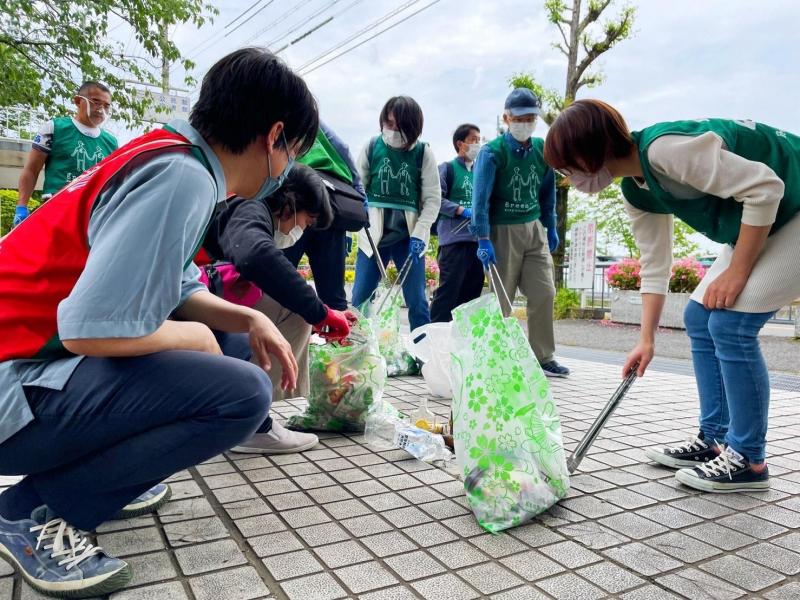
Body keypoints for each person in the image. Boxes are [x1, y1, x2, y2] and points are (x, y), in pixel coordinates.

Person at [0, 48, 317, 597]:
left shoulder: (164, 155)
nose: (287, 169)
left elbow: (168, 281)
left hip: (29, 368)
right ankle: (35, 511)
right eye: (294, 154)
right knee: (241, 393)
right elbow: (87, 328)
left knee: (235, 351)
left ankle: (103, 478)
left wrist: (242, 316)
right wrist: (193, 334)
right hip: (16, 383)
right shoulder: (183, 178)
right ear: (275, 136)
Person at [544, 99, 800, 493]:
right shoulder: (637, 190)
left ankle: (749, 459)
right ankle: (714, 438)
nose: (567, 180)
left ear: (591, 151)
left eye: (567, 168)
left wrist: (738, 271)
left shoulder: (665, 150)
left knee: (730, 324)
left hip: (790, 207)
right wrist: (645, 340)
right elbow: (655, 265)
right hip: (772, 215)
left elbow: (766, 189)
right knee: (699, 318)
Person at [203, 163, 356, 453]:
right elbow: (256, 255)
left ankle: (246, 413)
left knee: (297, 300)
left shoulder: (247, 206)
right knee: (298, 311)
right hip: (187, 309)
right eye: (307, 221)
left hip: (200, 299)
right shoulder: (251, 208)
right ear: (289, 205)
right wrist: (320, 313)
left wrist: (323, 309)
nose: (304, 230)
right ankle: (250, 423)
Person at [471, 88, 570, 377]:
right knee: (503, 297)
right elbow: (480, 199)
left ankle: (543, 355)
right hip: (502, 231)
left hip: (534, 228)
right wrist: (483, 238)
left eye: (531, 118)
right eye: (520, 118)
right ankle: (495, 356)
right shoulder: (493, 152)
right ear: (507, 118)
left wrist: (550, 226)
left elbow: (547, 193)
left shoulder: (542, 149)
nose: (525, 123)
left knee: (544, 292)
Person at [351, 96, 441, 332]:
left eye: (399, 126)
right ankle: (356, 352)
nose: (392, 130)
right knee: (360, 298)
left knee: (417, 301)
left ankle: (422, 355)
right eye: (388, 123)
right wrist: (360, 212)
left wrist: (420, 234)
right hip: (373, 239)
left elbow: (432, 199)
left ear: (413, 128)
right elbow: (357, 186)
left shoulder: (423, 153)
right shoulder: (372, 146)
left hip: (408, 240)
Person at [283, 121, 367, 310]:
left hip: (292, 202)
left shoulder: (277, 116)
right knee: (334, 296)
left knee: (278, 287)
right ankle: (339, 335)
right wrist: (358, 188)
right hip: (330, 206)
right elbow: (343, 148)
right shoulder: (313, 121)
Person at [14, 81, 118, 227]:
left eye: (107, 106)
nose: (101, 109)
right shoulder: (54, 128)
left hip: (94, 216)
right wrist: (21, 207)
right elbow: (31, 170)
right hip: (56, 211)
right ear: (78, 101)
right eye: (95, 102)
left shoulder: (111, 142)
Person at [429, 123, 485, 322]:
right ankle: (434, 340)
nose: (478, 144)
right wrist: (461, 210)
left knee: (471, 296)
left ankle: (462, 343)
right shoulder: (447, 169)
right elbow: (436, 199)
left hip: (478, 241)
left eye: (480, 140)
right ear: (460, 143)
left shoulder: (481, 172)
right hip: (454, 241)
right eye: (473, 140)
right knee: (447, 293)